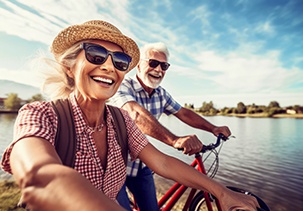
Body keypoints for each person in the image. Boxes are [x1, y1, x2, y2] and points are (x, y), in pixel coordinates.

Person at [1, 20, 259, 211]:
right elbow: (40, 176)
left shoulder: (119, 121)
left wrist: (220, 191)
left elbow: (164, 162)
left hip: (138, 173)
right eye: (96, 54)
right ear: (70, 67)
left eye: (120, 61)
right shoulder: (40, 114)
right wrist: (175, 139)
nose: (108, 66)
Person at [111, 42, 232, 211]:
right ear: (139, 65)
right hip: (115, 166)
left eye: (164, 65)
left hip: (142, 164)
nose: (158, 69)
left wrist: (213, 128)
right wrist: (174, 140)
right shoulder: (123, 85)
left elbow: (183, 113)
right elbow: (135, 114)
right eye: (153, 63)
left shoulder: (161, 94)